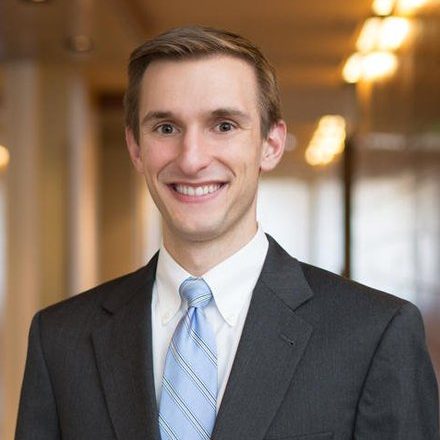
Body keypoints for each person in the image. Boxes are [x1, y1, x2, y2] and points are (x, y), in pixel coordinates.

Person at [16, 26, 439, 440]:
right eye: (166, 127)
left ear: (270, 145)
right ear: (135, 148)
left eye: (223, 125)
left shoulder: (374, 335)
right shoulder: (60, 341)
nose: (192, 158)